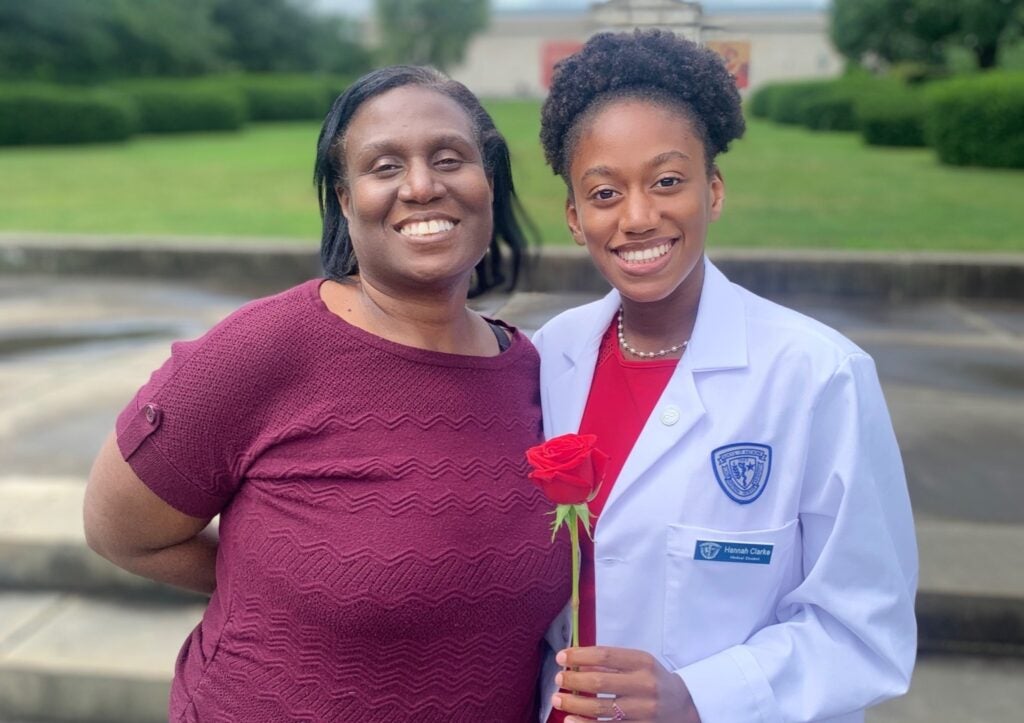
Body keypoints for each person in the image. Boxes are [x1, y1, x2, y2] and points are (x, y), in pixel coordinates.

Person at [83, 65, 570, 722]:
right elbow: (121, 529)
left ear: (489, 182)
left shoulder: (539, 373)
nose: (422, 186)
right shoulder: (267, 347)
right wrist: (268, 582)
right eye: (385, 165)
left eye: (449, 158)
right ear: (345, 199)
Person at [533, 30, 918, 723]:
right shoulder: (552, 356)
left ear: (713, 191)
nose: (638, 216)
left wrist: (700, 695)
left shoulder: (816, 375)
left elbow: (866, 629)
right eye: (604, 191)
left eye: (668, 181)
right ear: (574, 216)